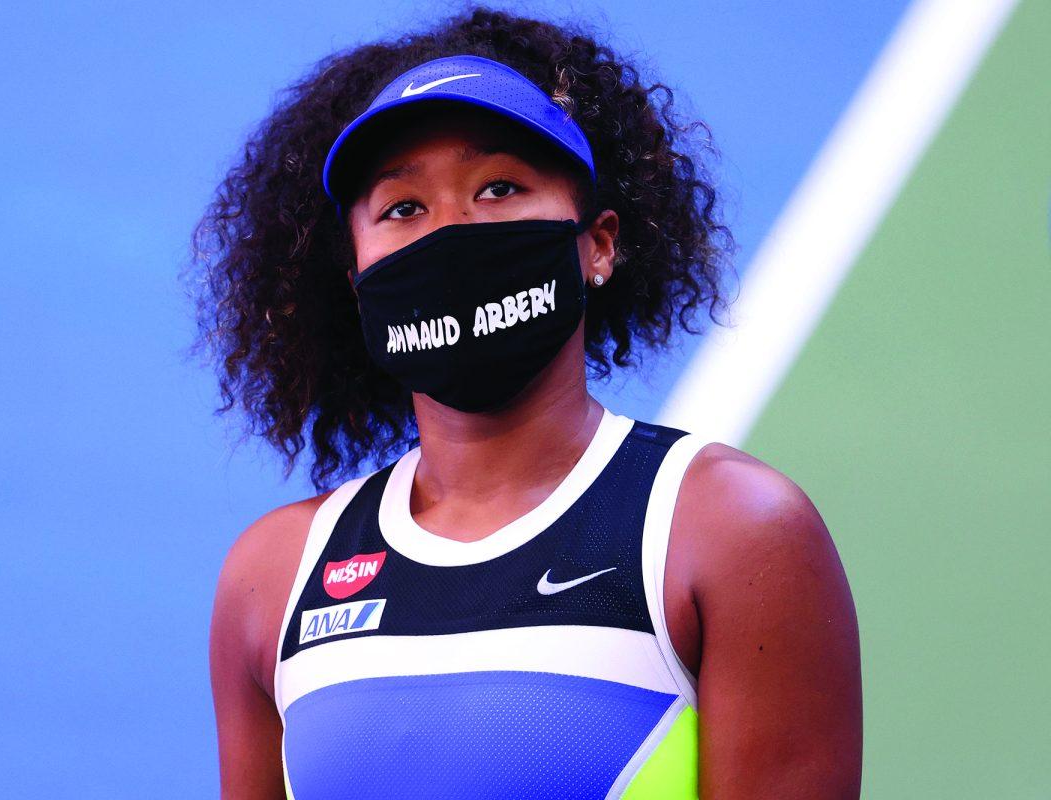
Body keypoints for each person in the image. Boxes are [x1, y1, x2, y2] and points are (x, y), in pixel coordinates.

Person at [194, 8, 861, 799]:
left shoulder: (731, 533)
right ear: (356, 282)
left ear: (599, 244)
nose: (450, 233)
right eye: (403, 208)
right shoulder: (272, 579)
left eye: (499, 188)